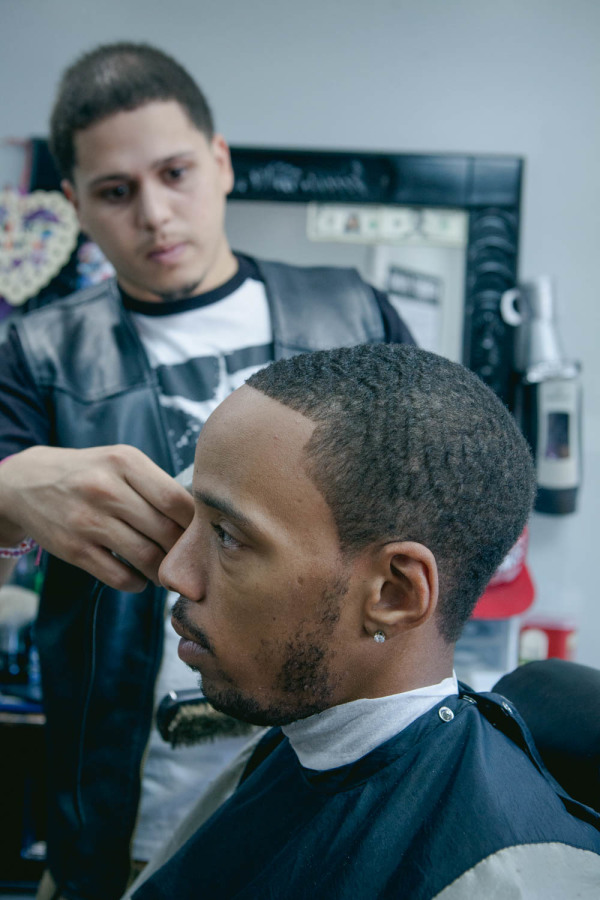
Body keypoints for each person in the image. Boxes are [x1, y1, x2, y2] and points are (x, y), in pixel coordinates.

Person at [0, 42, 414, 900]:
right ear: (76, 204)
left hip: (335, 785)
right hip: (127, 810)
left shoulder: (352, 311)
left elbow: (426, 510)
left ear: (220, 163)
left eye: (176, 173)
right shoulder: (36, 353)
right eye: (116, 193)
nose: (154, 214)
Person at [125, 343, 600, 900]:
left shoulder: (499, 881)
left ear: (394, 593)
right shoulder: (296, 741)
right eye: (194, 519)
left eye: (229, 536)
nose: (173, 571)